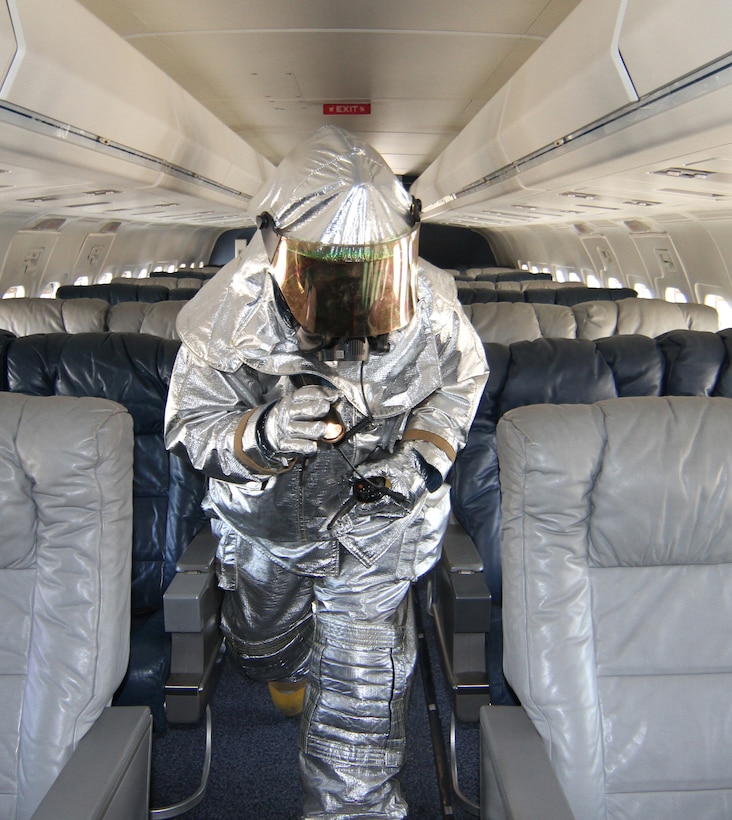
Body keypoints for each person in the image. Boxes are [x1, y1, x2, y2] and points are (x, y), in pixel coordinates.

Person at [164, 125, 488, 819]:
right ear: (278, 248)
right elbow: (193, 428)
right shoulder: (227, 313)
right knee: (265, 647)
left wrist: (421, 457)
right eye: (332, 277)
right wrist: (266, 432)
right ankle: (281, 668)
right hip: (269, 528)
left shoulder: (430, 302)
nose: (354, 298)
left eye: (372, 274)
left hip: (377, 532)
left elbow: (460, 384)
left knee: (359, 703)